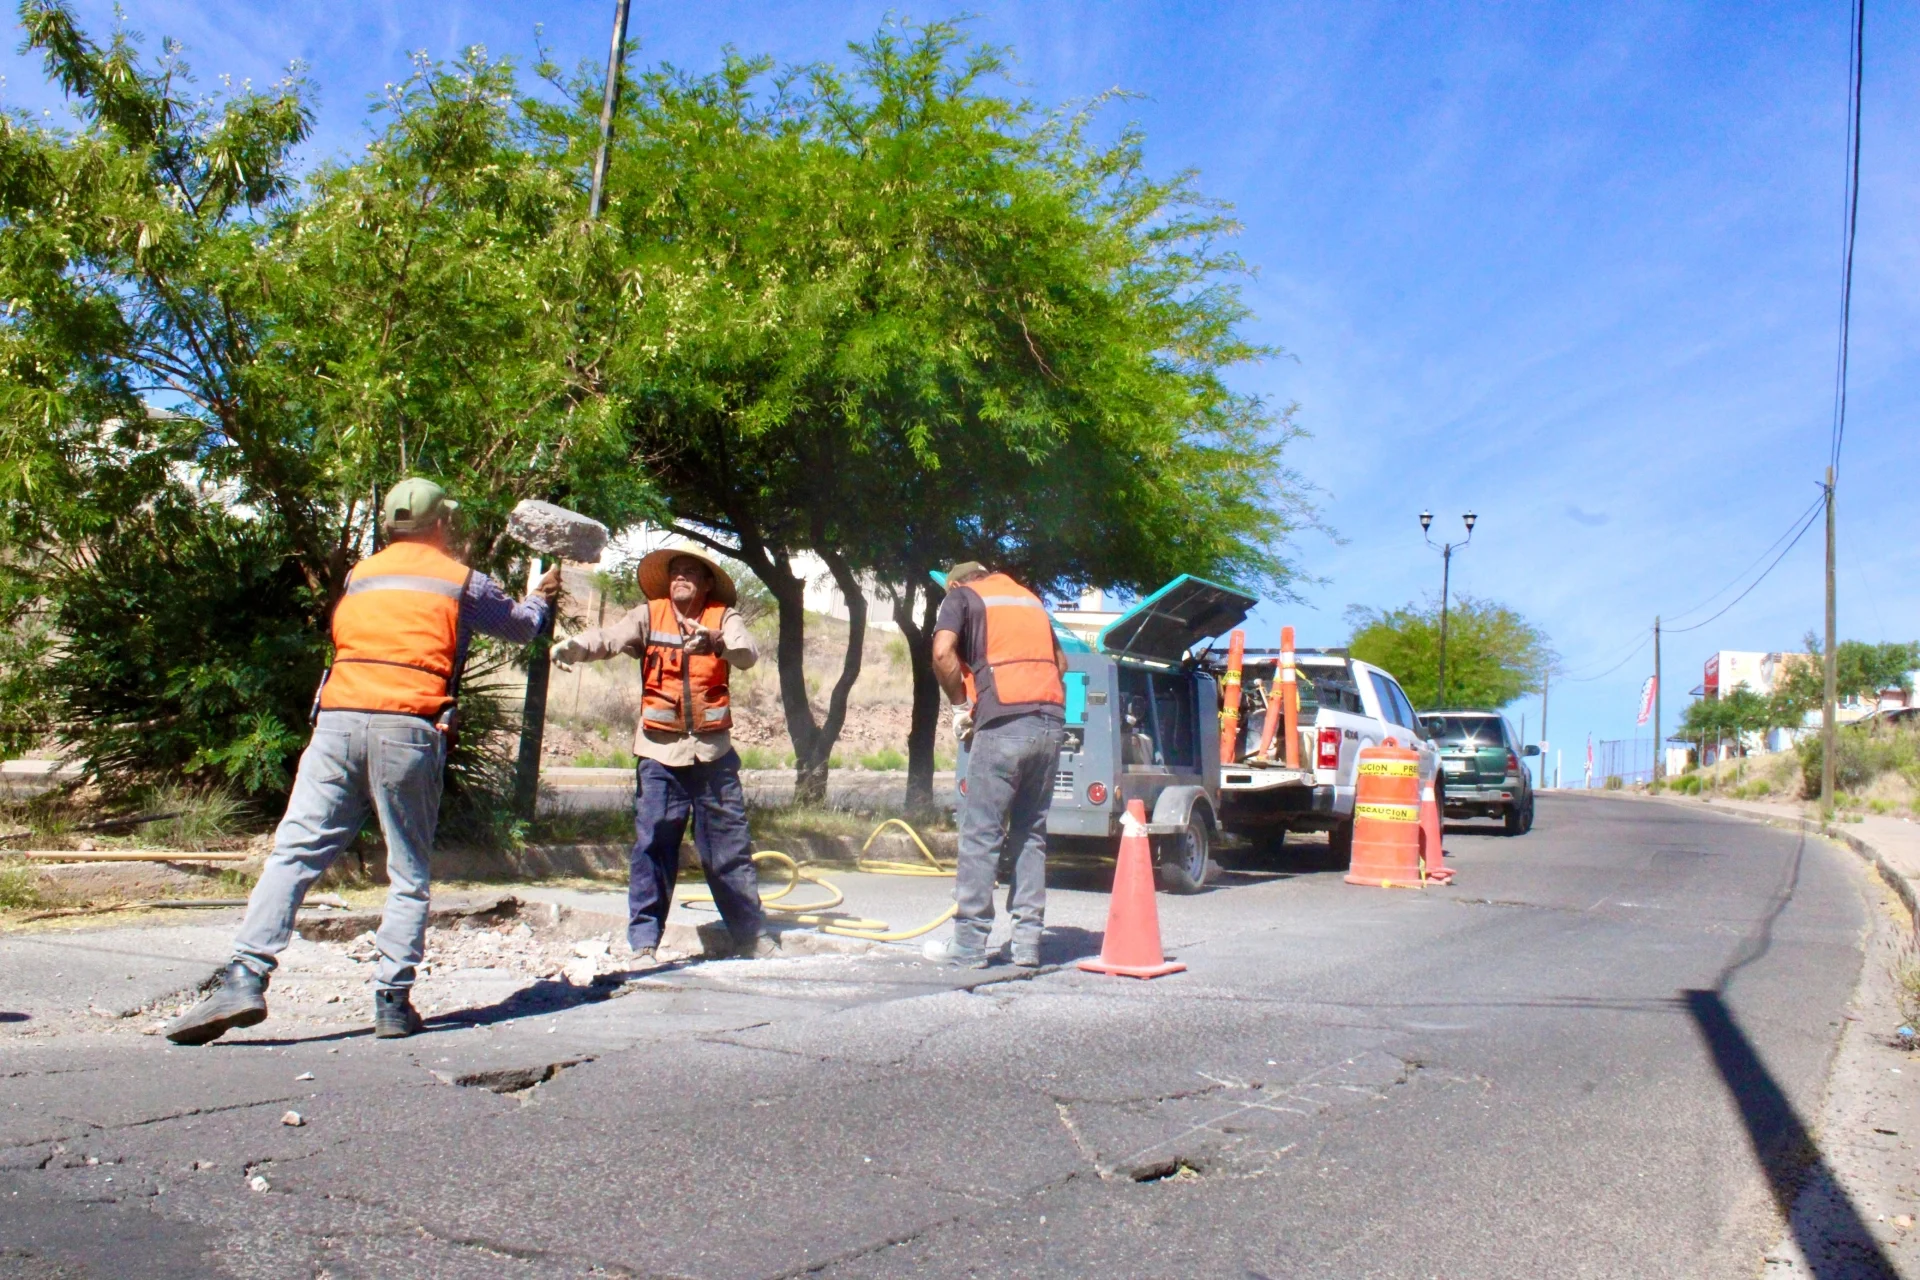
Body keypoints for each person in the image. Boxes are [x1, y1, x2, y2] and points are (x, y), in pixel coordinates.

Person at [168, 479, 560, 1045]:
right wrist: (541, 596)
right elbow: (520, 629)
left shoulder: (361, 574)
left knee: (294, 852)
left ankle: (245, 975)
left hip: (337, 721)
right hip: (408, 726)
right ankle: (392, 1002)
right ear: (442, 523)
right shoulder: (460, 580)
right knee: (407, 870)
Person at [550, 546, 771, 965]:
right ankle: (644, 944)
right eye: (675, 573)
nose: (681, 578)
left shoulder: (724, 617)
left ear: (708, 583)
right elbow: (609, 638)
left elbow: (747, 656)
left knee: (729, 851)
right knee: (652, 847)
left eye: (691, 572)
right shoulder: (648, 614)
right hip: (658, 753)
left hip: (713, 755)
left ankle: (752, 936)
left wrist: (717, 643)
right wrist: (575, 646)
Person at [924, 561, 1067, 968]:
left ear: (955, 584)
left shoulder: (961, 597)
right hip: (1050, 722)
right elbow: (1062, 664)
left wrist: (961, 706)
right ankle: (1027, 946)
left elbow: (941, 652)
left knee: (981, 833)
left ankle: (968, 947)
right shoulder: (1030, 601)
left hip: (1002, 722)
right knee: (1030, 834)